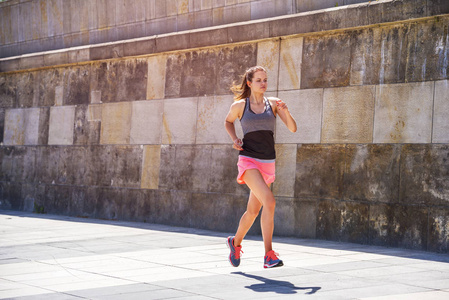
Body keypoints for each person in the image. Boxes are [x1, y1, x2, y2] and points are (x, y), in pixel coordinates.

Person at [224, 66, 297, 268]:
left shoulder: (273, 104)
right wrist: (235, 139)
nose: (263, 84)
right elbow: (228, 122)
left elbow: (292, 128)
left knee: (253, 212)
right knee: (270, 201)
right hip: (248, 160)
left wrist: (286, 111)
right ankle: (269, 254)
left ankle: (235, 242)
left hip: (267, 162)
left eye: (265, 80)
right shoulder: (240, 106)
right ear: (249, 83)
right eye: (258, 80)